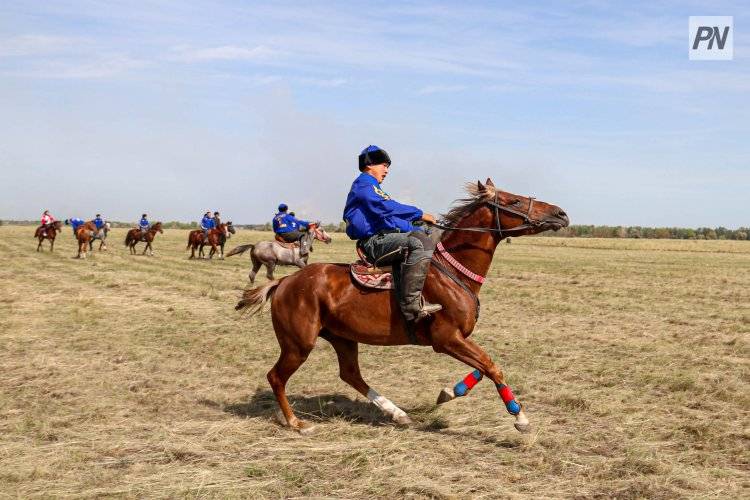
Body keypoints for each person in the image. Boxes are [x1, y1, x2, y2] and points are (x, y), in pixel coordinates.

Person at [343, 145, 441, 323]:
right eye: (384, 165)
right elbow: (387, 207)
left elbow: (391, 221)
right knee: (418, 244)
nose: (387, 170)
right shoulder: (363, 184)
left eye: (388, 167)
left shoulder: (374, 188)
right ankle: (411, 305)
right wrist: (419, 214)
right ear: (369, 165)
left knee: (432, 234)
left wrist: (419, 228)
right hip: (373, 242)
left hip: (384, 236)